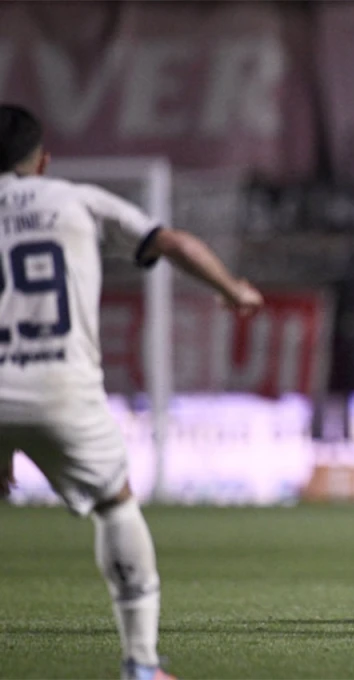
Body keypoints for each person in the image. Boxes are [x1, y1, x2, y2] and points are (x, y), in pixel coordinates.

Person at [0, 104, 263, 680]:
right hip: (59, 387)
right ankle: (141, 663)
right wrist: (233, 289)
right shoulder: (75, 199)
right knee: (115, 502)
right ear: (42, 162)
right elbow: (171, 242)